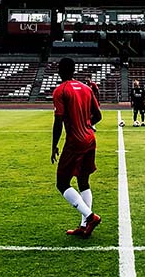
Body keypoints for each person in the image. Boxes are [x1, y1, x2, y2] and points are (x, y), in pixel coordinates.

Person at [51, 57, 103, 238]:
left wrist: (54, 146)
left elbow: (58, 121)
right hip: (90, 139)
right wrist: (87, 125)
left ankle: (90, 217)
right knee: (83, 181)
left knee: (62, 183)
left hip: (75, 142)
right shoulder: (87, 89)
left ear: (60, 71)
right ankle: (84, 226)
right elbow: (98, 116)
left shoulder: (60, 90)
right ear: (74, 70)